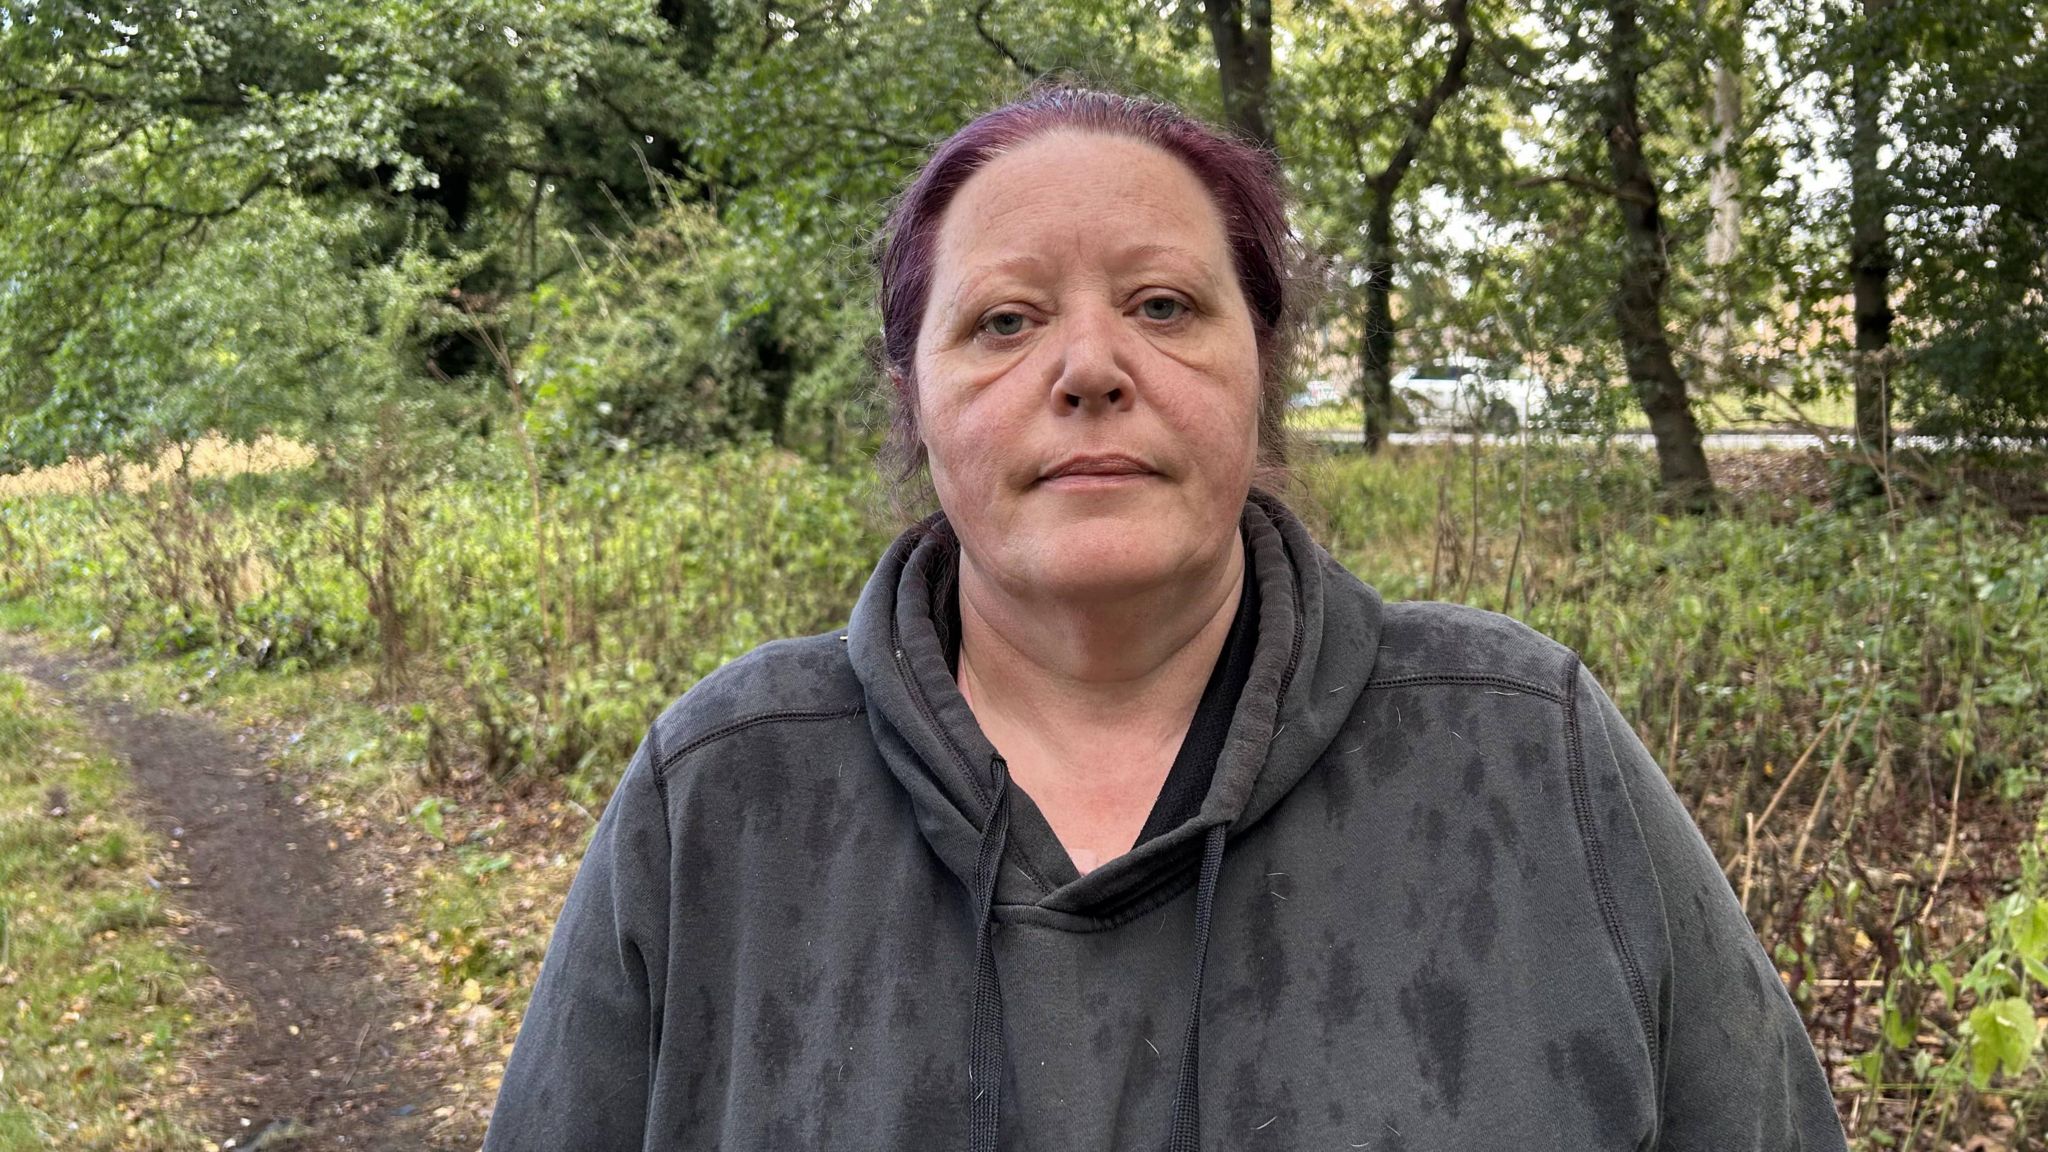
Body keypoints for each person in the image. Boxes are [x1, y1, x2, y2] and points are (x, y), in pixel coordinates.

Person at [482, 86, 1847, 1150]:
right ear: (913, 395)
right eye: (1007, 320)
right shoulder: (727, 789)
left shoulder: (1523, 749)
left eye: (1163, 305)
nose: (1090, 368)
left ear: (1258, 365)